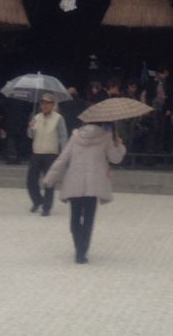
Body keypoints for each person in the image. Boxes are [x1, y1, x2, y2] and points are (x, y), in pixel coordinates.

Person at [42, 121, 126, 263]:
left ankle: (78, 246)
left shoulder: (75, 137)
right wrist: (119, 144)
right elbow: (115, 158)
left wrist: (49, 179)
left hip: (75, 181)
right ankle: (82, 252)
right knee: (88, 219)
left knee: (75, 218)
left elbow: (63, 159)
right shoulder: (106, 137)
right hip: (94, 184)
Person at [26, 92, 68, 215]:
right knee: (31, 181)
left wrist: (64, 154)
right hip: (37, 152)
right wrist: (31, 127)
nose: (44, 106)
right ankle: (38, 200)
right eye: (43, 103)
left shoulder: (59, 118)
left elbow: (63, 137)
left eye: (47, 103)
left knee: (49, 182)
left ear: (52, 105)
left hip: (51, 153)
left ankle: (47, 207)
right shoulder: (36, 117)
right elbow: (30, 135)